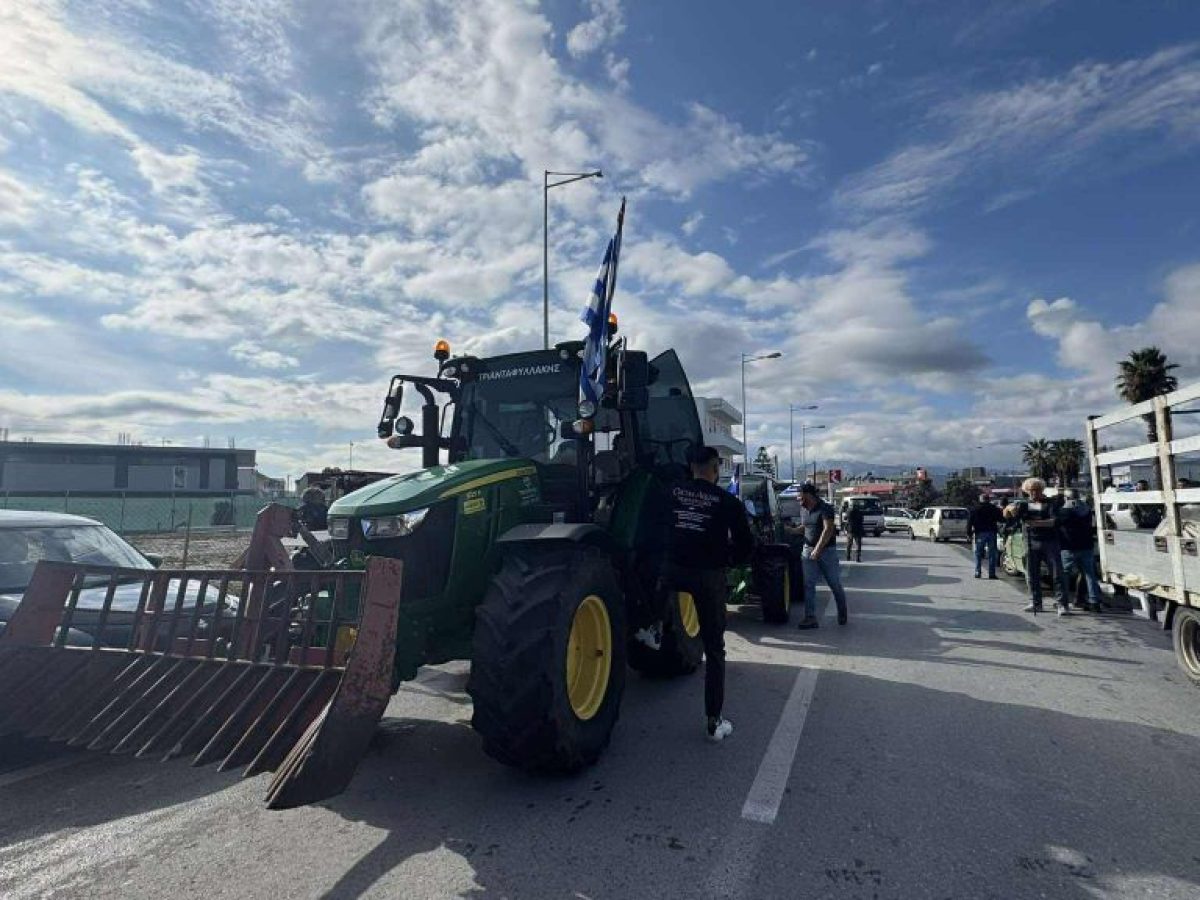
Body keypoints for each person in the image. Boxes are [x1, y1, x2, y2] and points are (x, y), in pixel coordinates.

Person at [666, 445, 755, 742]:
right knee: (714, 649)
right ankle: (714, 722)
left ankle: (649, 629)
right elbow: (745, 545)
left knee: (655, 591)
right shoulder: (726, 501)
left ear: (690, 466)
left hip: (672, 570)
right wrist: (728, 560)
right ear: (715, 468)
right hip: (708, 576)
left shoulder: (671, 492)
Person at [1005, 478, 1071, 616]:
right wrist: (1009, 510)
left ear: (1041, 490)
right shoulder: (1024, 505)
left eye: (1036, 490)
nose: (1033, 493)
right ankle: (1036, 602)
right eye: (1030, 491)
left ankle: (1062, 604)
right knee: (1031, 574)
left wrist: (1034, 523)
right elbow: (1009, 516)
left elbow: (1054, 522)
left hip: (1050, 542)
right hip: (1030, 541)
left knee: (1057, 574)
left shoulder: (1050, 504)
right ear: (1027, 491)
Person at [797, 482, 849, 629]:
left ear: (807, 495)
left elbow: (828, 530)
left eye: (799, 495)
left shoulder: (825, 508)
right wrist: (791, 530)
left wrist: (818, 549)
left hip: (827, 552)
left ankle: (842, 612)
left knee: (834, 583)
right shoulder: (804, 509)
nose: (797, 498)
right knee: (808, 585)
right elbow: (806, 527)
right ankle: (810, 618)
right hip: (808, 550)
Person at [1059, 498, 1103, 613]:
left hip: (1068, 547)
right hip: (1086, 546)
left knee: (1064, 575)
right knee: (1090, 575)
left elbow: (1057, 525)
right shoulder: (1088, 511)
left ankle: (1063, 601)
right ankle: (1094, 602)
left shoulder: (1063, 512)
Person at [968, 494, 1003, 579]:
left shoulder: (975, 509)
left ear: (980, 500)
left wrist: (969, 533)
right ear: (989, 499)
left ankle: (978, 572)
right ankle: (991, 573)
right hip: (992, 533)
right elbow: (1001, 519)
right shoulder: (994, 508)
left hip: (980, 533)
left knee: (978, 553)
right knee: (992, 554)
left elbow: (970, 522)